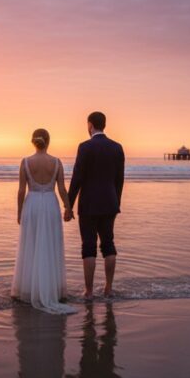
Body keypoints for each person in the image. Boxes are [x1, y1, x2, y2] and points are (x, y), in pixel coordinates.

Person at [12, 128, 76, 314]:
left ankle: (28, 290)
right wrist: (68, 207)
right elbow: (62, 189)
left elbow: (21, 191)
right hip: (50, 204)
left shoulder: (25, 162)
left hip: (31, 204)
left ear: (33, 142)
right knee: (49, 245)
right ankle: (52, 290)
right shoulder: (56, 162)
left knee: (30, 245)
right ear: (48, 141)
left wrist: (19, 212)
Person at [66, 111, 125, 300]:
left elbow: (77, 178)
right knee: (108, 244)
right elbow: (119, 179)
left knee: (88, 246)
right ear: (104, 125)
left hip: (89, 204)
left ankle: (89, 291)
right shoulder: (117, 147)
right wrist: (117, 201)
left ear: (90, 125)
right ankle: (108, 288)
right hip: (110, 202)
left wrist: (69, 205)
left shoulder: (85, 147)